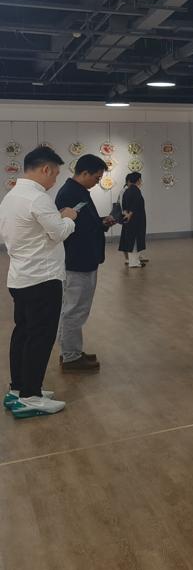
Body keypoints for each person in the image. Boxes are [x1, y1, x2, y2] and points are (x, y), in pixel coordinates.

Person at [0, 147, 77, 418]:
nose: (54, 180)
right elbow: (59, 233)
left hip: (20, 277)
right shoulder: (38, 198)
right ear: (45, 169)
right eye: (54, 174)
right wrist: (69, 218)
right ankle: (30, 396)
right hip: (42, 278)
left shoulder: (11, 196)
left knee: (23, 333)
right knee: (40, 337)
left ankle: (18, 389)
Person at [54, 154, 117, 372]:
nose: (97, 182)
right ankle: (70, 356)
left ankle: (71, 351)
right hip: (77, 260)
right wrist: (98, 225)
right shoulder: (69, 193)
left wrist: (102, 222)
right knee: (75, 309)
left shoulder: (79, 191)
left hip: (85, 258)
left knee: (76, 308)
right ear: (84, 173)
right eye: (96, 178)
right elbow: (69, 229)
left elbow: (83, 223)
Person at [118, 172, 146, 268]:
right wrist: (130, 214)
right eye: (140, 179)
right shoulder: (136, 190)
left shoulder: (127, 190)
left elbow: (124, 204)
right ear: (138, 180)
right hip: (136, 219)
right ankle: (134, 262)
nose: (141, 181)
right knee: (135, 240)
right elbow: (136, 204)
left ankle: (133, 261)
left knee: (130, 239)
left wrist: (126, 213)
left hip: (129, 219)